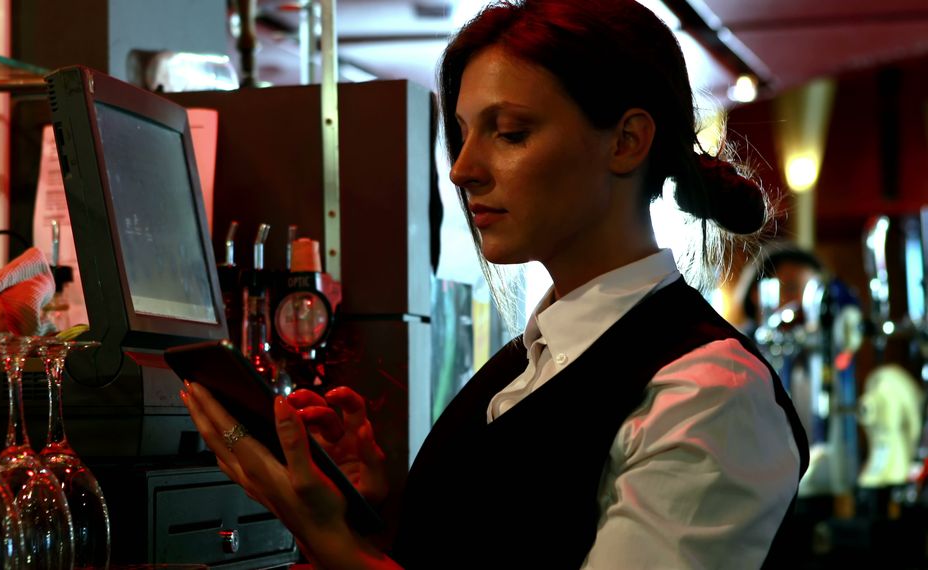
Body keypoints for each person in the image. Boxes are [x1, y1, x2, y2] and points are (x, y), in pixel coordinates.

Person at [181, 0, 809, 567]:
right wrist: (371, 510)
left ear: (626, 141)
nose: (462, 169)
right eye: (462, 132)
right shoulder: (530, 362)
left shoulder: (709, 394)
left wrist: (334, 545)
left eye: (509, 133)